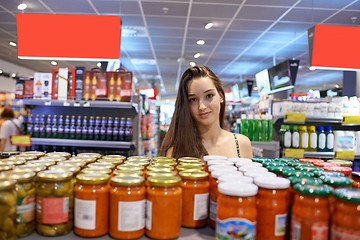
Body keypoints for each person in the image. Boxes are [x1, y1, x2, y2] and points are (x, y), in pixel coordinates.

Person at [159, 66, 253, 159]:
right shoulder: (176, 151)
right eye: (193, 100)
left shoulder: (241, 144)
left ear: (221, 97)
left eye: (209, 96)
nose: (202, 107)